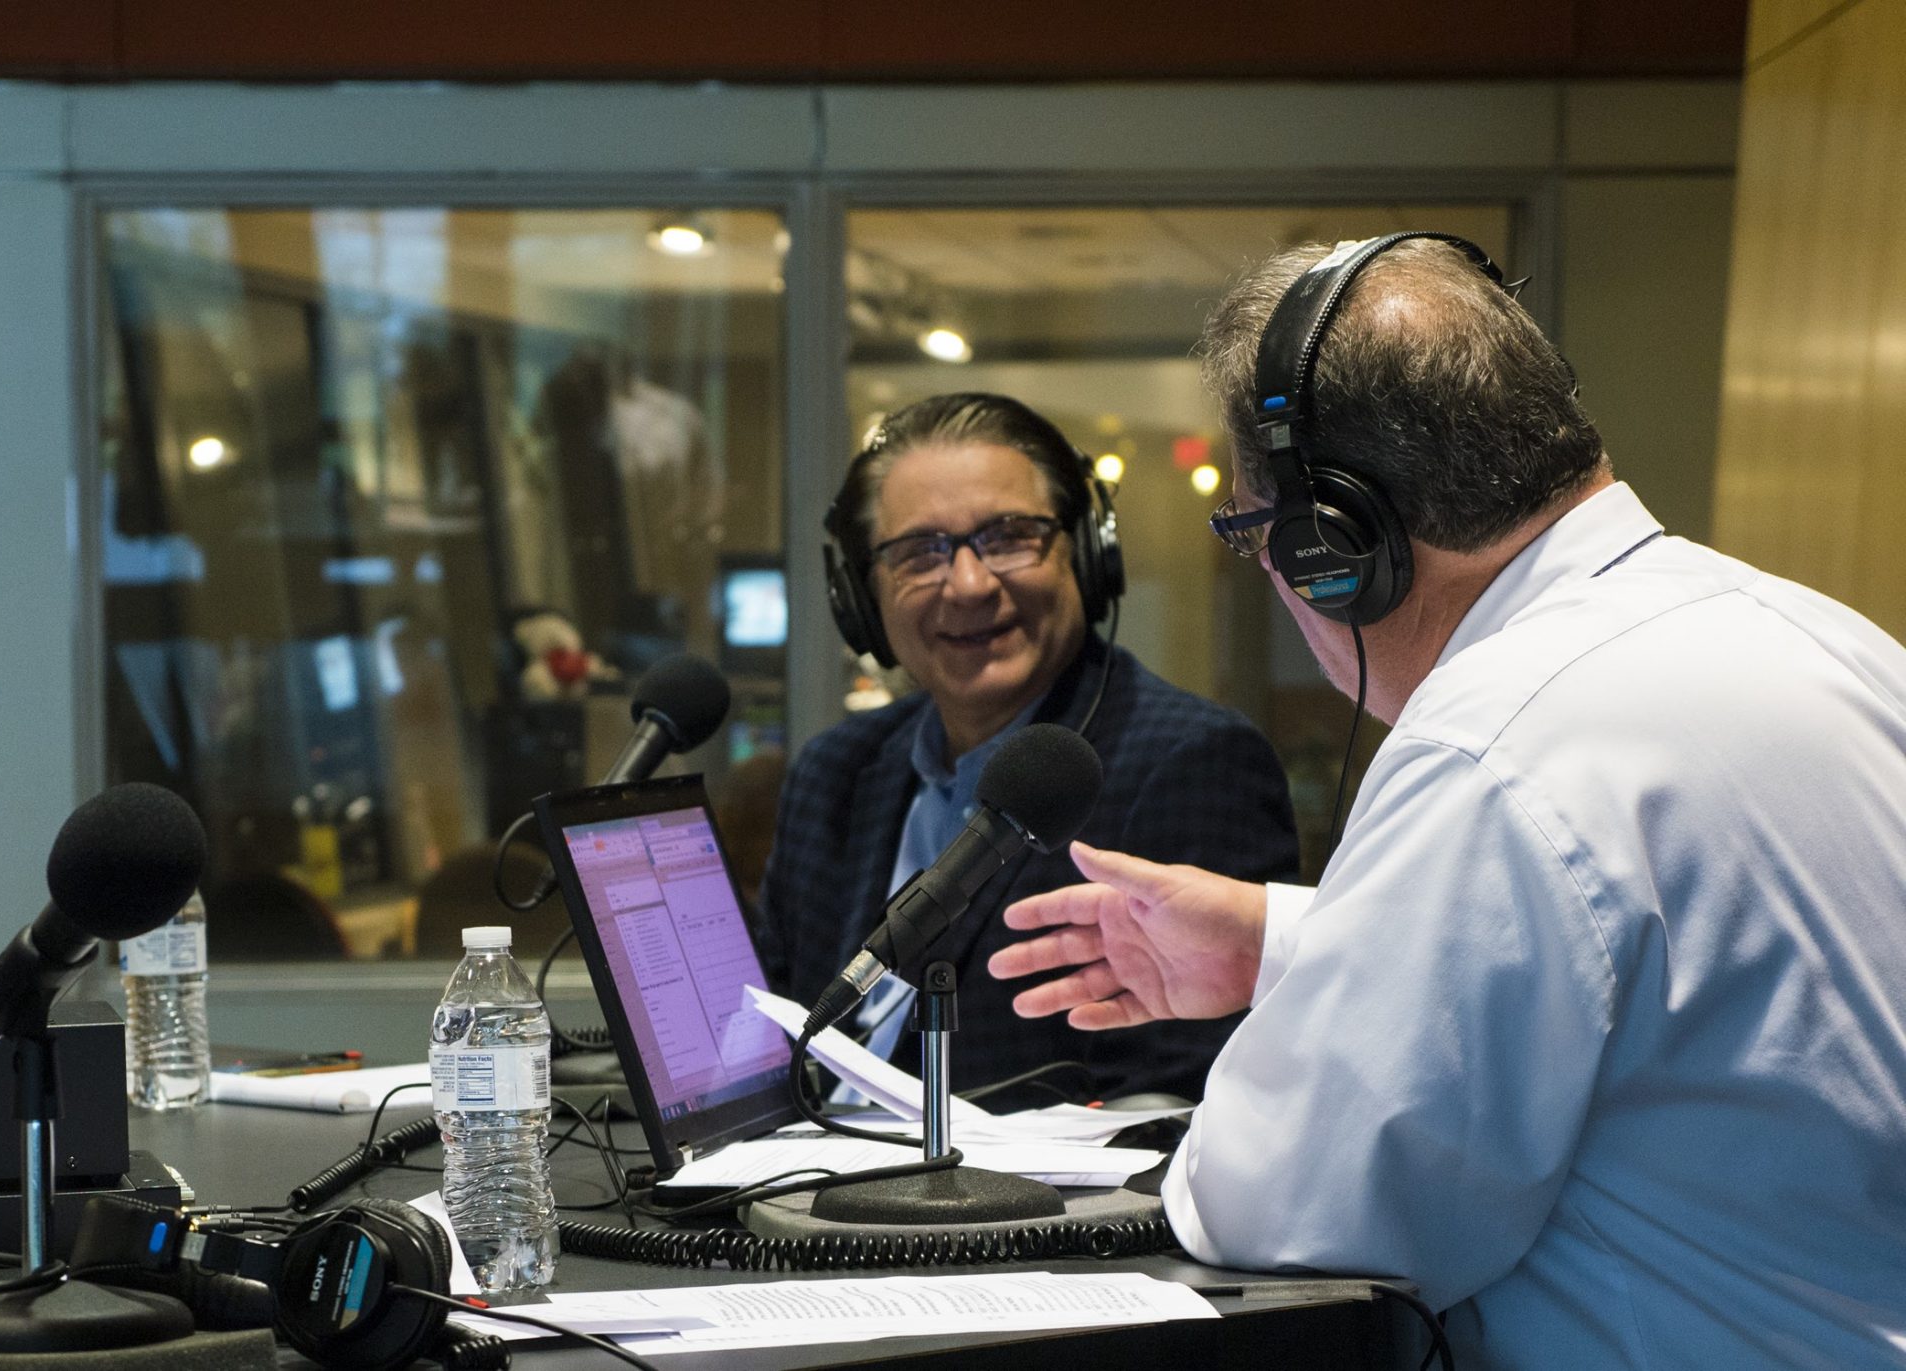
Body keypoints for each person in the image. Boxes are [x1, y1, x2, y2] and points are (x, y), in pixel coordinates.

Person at [990, 237, 1906, 1367]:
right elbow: (1687, 977)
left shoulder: (1495, 742)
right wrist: (1284, 942)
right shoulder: (1816, 636)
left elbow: (1293, 1214)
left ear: (1332, 545)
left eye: (1252, 535)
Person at [754, 392, 1300, 1105]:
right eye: (920, 552)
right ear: (860, 597)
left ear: (1085, 549)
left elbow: (1186, 1109)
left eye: (1009, 536)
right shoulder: (835, 773)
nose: (970, 584)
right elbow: (767, 1038)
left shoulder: (1193, 762)